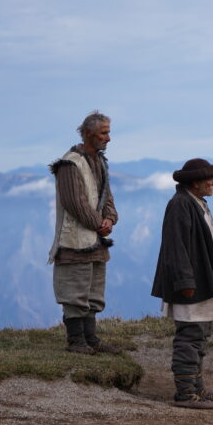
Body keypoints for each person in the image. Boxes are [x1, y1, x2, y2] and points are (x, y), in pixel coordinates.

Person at [151, 159, 213, 410]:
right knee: (190, 337)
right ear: (195, 182)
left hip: (203, 281)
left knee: (201, 335)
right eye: (209, 179)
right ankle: (185, 393)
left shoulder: (197, 203)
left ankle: (196, 387)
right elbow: (176, 246)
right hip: (191, 284)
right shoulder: (180, 205)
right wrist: (185, 281)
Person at [48, 110, 122, 355]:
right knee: (74, 292)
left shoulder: (99, 161)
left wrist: (110, 218)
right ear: (89, 134)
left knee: (92, 291)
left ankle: (90, 338)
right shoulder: (70, 163)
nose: (108, 138)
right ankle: (76, 340)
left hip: (96, 241)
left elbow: (106, 196)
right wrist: (99, 223)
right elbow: (75, 202)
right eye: (104, 133)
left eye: (108, 132)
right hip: (75, 241)